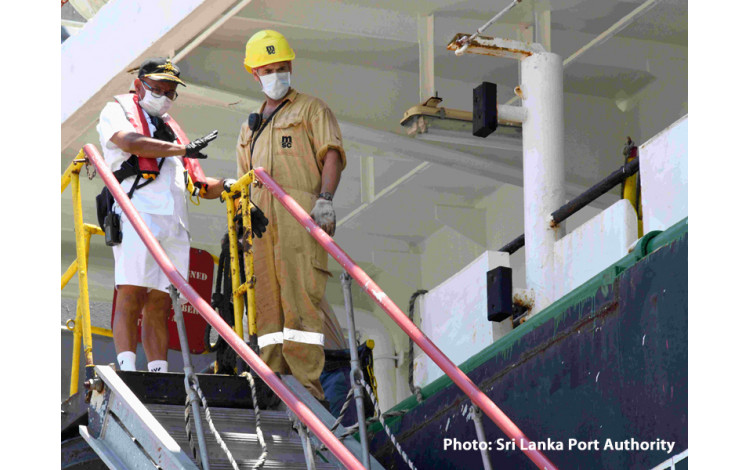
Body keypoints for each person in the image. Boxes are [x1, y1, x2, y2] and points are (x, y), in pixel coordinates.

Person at [97, 57, 237, 373]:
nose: (164, 96)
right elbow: (129, 142)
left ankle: (158, 371)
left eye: (170, 92)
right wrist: (181, 151)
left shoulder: (172, 129)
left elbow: (197, 184)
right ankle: (128, 370)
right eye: (157, 89)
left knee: (161, 303)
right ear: (138, 85)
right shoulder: (116, 111)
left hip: (174, 223)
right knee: (131, 294)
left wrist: (229, 185)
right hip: (137, 214)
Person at [236, 30, 348, 404]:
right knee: (267, 312)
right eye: (269, 69)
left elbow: (331, 153)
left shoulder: (311, 109)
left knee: (301, 308)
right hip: (260, 228)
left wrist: (326, 199)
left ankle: (308, 393)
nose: (277, 75)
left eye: (283, 67)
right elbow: (244, 182)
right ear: (254, 73)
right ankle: (273, 390)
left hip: (299, 219)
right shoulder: (247, 129)